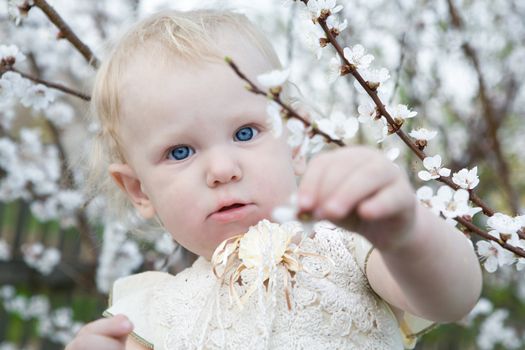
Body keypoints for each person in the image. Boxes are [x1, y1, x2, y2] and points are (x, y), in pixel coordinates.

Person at [66, 8, 482, 350]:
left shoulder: (349, 251)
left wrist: (405, 233)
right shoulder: (155, 311)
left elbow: (452, 299)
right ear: (139, 190)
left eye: (245, 133)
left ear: (296, 142)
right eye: (180, 152)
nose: (221, 170)